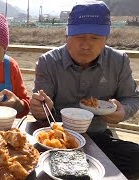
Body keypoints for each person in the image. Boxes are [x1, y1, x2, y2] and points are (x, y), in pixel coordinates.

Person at [30, 1, 139, 178]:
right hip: (56, 140)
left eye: (95, 38)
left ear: (106, 38)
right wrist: (41, 108)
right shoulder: (48, 62)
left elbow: (132, 98)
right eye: (79, 37)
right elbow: (40, 109)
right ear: (67, 35)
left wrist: (122, 111)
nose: (86, 45)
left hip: (98, 137)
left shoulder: (118, 61)